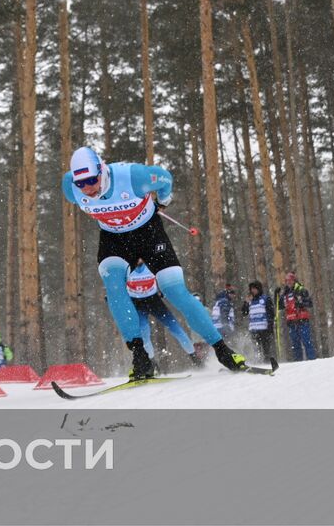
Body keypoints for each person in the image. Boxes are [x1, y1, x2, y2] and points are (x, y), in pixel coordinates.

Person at [61, 146, 248, 379]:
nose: (87, 188)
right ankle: (140, 357)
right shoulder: (70, 187)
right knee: (115, 287)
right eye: (81, 183)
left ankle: (222, 350)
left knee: (175, 291)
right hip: (113, 238)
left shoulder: (133, 177)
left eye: (91, 179)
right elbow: (80, 189)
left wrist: (164, 199)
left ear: (103, 169)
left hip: (149, 233)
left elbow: (165, 178)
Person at [125, 260, 201, 370]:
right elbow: (117, 285)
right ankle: (152, 364)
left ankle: (195, 359)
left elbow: (163, 277)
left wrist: (163, 291)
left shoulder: (150, 264)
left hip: (154, 301)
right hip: (137, 305)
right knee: (144, 335)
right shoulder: (127, 268)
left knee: (177, 329)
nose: (139, 258)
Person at [277, 272, 316, 361]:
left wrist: (301, 303)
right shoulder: (285, 294)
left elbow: (310, 303)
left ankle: (312, 361)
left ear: (294, 280)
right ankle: (298, 363)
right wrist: (277, 296)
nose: (288, 282)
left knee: (307, 342)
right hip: (292, 322)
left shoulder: (301, 290)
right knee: (295, 344)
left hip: (302, 320)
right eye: (287, 281)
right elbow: (279, 306)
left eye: (290, 280)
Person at [242, 280, 276, 362]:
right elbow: (244, 313)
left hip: (264, 328)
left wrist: (270, 326)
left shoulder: (265, 299)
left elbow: (271, 314)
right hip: (253, 329)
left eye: (254, 289)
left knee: (266, 348)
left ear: (259, 289)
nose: (252, 290)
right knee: (256, 348)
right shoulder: (250, 300)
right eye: (251, 289)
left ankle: (267, 362)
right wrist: (246, 303)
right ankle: (258, 362)